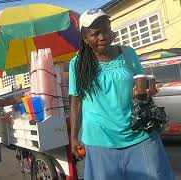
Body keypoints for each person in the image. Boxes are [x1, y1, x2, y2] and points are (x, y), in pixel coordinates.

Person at [68, 9, 175, 180]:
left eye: (106, 30)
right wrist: (73, 137)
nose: (103, 37)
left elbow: (142, 86)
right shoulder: (77, 64)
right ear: (85, 38)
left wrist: (147, 92)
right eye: (96, 34)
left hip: (140, 132)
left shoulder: (127, 53)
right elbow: (76, 103)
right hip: (100, 139)